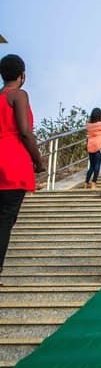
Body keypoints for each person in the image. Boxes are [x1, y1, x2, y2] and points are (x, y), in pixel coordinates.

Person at [0, 54, 45, 285]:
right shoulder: (19, 95)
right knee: (6, 219)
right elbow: (25, 131)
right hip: (12, 161)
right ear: (22, 75)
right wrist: (38, 161)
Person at [84, 107, 101, 189]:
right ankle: (93, 182)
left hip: (90, 146)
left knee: (91, 166)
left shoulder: (89, 125)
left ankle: (86, 182)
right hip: (98, 146)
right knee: (97, 165)